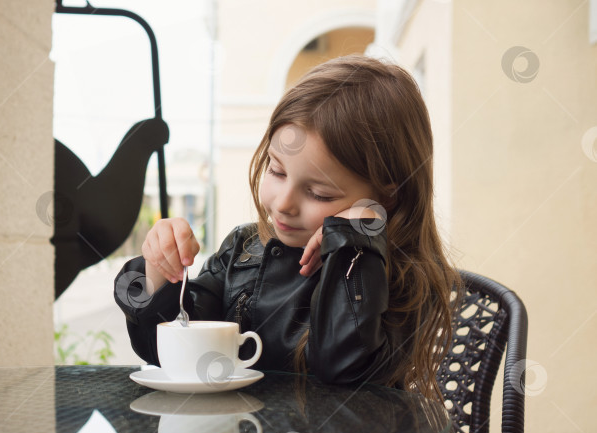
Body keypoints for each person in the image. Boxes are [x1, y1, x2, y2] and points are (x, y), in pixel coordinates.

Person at [113, 54, 461, 401]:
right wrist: (159, 271)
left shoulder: (402, 280)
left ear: (386, 198)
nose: (282, 203)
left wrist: (355, 244)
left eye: (318, 193)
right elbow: (165, 353)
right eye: (277, 171)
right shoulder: (244, 249)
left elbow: (344, 370)